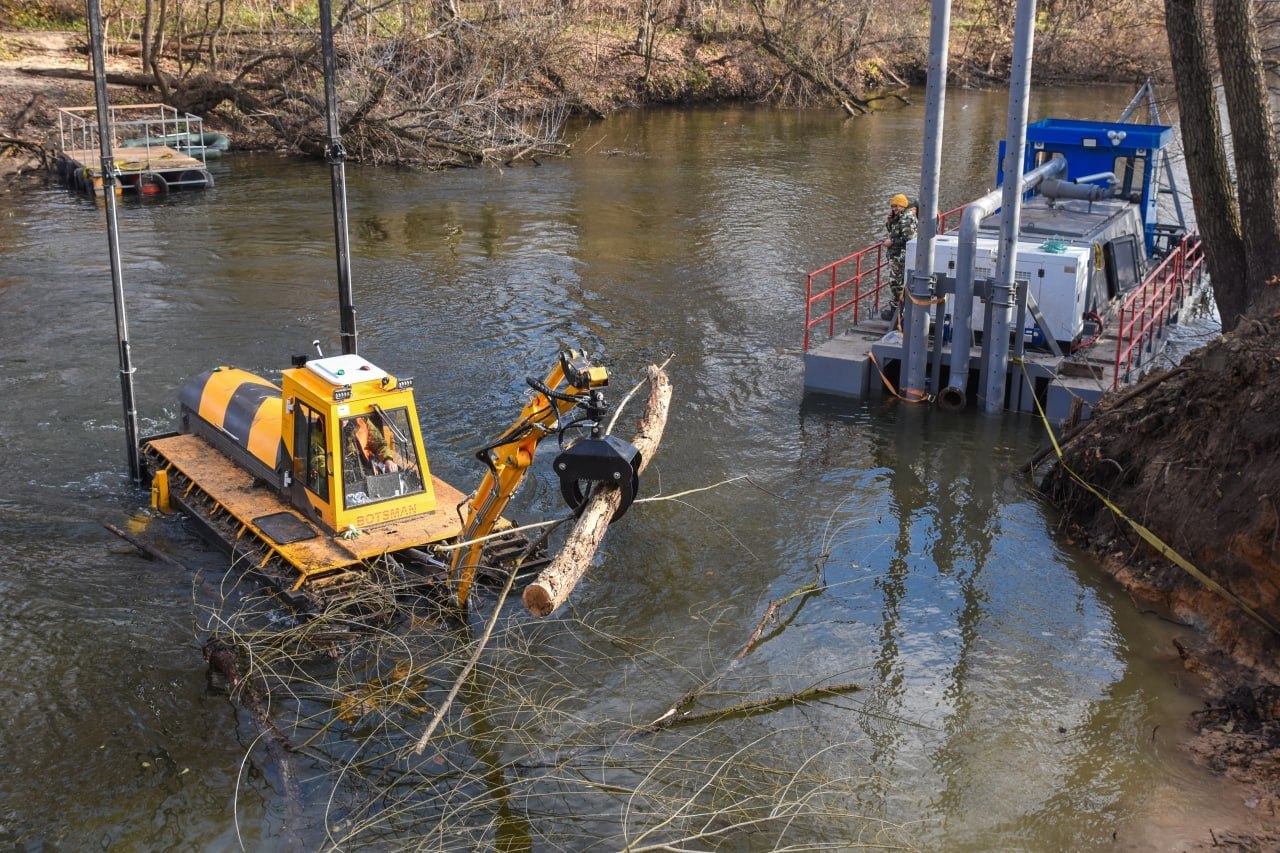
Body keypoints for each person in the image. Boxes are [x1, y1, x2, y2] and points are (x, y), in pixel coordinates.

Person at [883, 193, 918, 320]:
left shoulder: (906, 219)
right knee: (896, 283)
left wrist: (891, 243)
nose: (894, 209)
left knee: (896, 283)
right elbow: (893, 231)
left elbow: (909, 239)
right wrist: (890, 222)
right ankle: (896, 310)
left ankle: (898, 313)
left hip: (901, 257)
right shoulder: (899, 217)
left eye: (896, 206)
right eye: (893, 206)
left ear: (903, 205)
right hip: (897, 257)